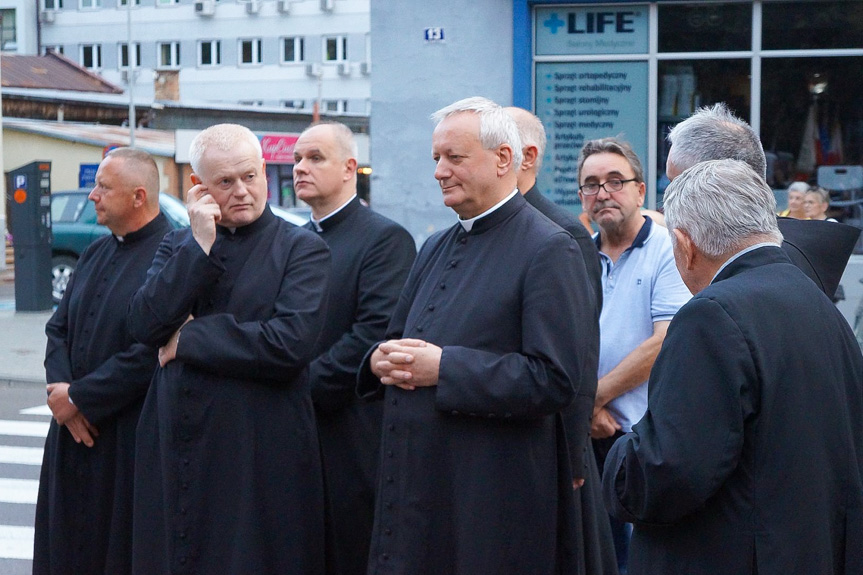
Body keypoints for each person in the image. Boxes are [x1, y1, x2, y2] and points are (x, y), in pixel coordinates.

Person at [358, 97, 597, 575]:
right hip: (418, 486)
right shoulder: (435, 244)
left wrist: (445, 368)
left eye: (454, 158)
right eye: (436, 159)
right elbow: (397, 338)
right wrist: (378, 361)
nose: (440, 171)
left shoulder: (551, 247)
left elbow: (554, 378)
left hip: (488, 493)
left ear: (503, 159)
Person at [602, 159, 863, 575]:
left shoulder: (711, 315)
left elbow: (666, 470)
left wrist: (617, 455)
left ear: (685, 244)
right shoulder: (815, 299)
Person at [128, 123, 331, 575]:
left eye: (249, 176)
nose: (241, 191)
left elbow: (288, 344)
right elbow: (144, 323)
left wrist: (189, 338)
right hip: (177, 434)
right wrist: (200, 245)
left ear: (263, 170)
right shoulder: (178, 244)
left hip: (257, 444)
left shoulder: (302, 248)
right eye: (225, 182)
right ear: (199, 188)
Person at [34, 147, 172, 575]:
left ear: (138, 197)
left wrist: (82, 398)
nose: (92, 195)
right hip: (71, 429)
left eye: (102, 187)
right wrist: (63, 397)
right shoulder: (96, 252)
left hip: (124, 435)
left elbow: (156, 349)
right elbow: (58, 328)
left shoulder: (173, 255)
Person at [293, 121, 416, 575]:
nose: (301, 168)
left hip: (350, 435)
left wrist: (294, 392)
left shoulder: (384, 239)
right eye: (297, 160)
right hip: (293, 435)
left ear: (349, 168)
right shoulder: (293, 241)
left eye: (315, 158)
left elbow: (372, 337)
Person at [505, 106, 617, 575]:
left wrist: (574, 454)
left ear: (524, 157)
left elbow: (579, 350)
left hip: (547, 441)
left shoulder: (562, 233)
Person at [578, 137, 691, 575]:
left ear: (641, 190)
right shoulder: (578, 255)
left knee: (642, 560)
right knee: (598, 559)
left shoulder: (668, 248)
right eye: (591, 184)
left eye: (614, 181)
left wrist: (592, 398)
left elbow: (666, 340)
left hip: (644, 438)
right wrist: (588, 411)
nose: (603, 192)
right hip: (591, 436)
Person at [666, 102, 860, 301]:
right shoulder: (784, 264)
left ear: (716, 182)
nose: (668, 201)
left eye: (675, 185)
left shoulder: (749, 282)